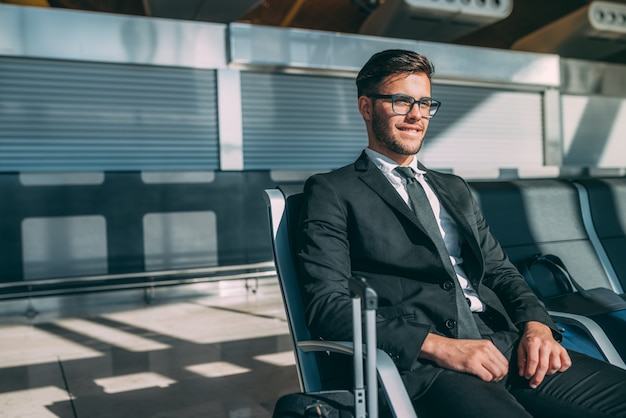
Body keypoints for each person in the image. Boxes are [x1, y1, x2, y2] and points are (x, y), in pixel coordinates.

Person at [295, 49, 626, 418]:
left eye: (424, 103)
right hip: (429, 365)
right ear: (366, 107)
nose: (416, 115)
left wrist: (537, 326)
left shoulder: (453, 189)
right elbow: (328, 306)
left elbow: (501, 272)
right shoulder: (332, 191)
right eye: (401, 101)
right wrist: (441, 346)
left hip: (506, 345)